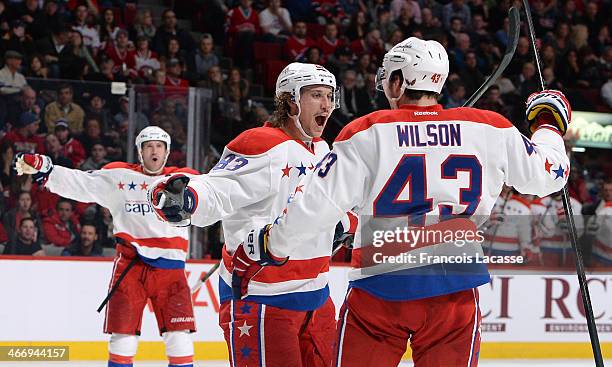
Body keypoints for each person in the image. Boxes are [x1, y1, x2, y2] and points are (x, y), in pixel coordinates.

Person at [219, 38, 570, 366]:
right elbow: (550, 174)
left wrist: (272, 243)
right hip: (455, 293)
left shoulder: (364, 132)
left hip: (378, 294)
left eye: (387, 80)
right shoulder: (490, 127)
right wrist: (547, 124)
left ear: (399, 83)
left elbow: (315, 208)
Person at [149, 63, 342, 367]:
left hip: (318, 297)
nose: (327, 104)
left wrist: (339, 225)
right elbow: (219, 187)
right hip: (266, 300)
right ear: (291, 101)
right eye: (316, 95)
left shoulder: (321, 148)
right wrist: (188, 198)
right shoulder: (262, 144)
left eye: (330, 96)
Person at [14, 126, 199, 367]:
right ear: (140, 151)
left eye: (159, 146)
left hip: (171, 270)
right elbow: (81, 183)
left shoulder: (186, 179)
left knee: (179, 339)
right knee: (122, 338)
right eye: (148, 146)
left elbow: (220, 195)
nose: (154, 150)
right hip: (130, 268)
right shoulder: (119, 176)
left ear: (167, 152)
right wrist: (46, 169)